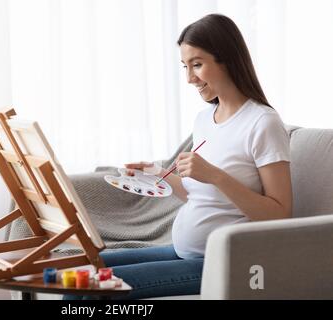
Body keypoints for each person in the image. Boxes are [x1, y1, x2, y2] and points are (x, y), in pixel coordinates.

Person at [65, 13, 292, 300]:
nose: (189, 78)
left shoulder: (263, 123)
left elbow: (280, 215)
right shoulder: (205, 119)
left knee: (90, 288)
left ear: (228, 59)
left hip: (224, 263)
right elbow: (203, 196)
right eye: (185, 66)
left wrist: (216, 175)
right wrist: (158, 174)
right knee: (76, 273)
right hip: (184, 251)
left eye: (197, 65)